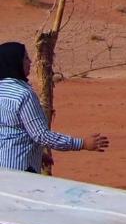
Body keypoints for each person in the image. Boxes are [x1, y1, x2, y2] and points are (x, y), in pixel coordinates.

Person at [0, 42, 108, 172]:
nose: (30, 62)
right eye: (25, 58)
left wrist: (37, 155)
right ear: (15, 63)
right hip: (20, 170)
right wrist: (82, 144)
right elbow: (41, 135)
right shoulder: (24, 95)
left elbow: (10, 131)